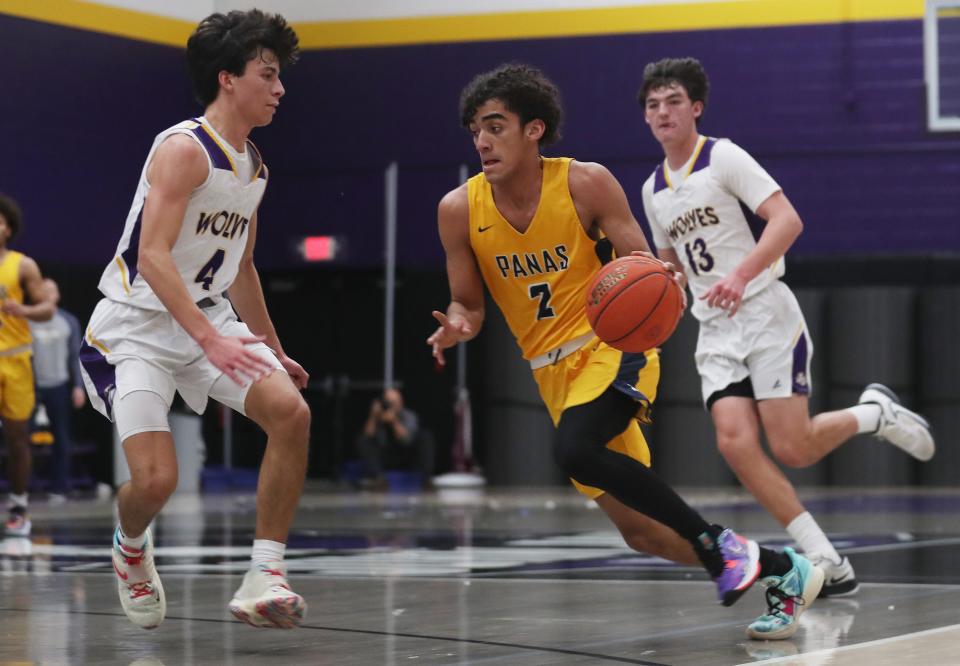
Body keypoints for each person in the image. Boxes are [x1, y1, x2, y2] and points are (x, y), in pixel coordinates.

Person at [427, 63, 822, 640]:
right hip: (551, 374)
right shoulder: (458, 210)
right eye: (474, 131)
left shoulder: (585, 183)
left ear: (534, 129)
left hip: (614, 344)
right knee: (644, 534)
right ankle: (783, 568)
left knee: (575, 450)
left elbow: (643, 268)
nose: (482, 141)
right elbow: (468, 303)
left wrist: (658, 279)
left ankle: (721, 546)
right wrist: (459, 324)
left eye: (495, 126)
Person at [637, 58, 935, 599]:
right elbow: (671, 269)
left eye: (673, 100)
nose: (663, 111)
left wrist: (740, 275)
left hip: (765, 311)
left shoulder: (722, 156)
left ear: (696, 107)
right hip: (716, 328)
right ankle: (824, 555)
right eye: (653, 104)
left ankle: (874, 413)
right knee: (734, 443)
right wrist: (655, 299)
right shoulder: (652, 190)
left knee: (794, 448)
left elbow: (787, 220)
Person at [78, 10, 310, 630]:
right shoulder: (183, 148)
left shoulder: (254, 168)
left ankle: (265, 573)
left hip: (207, 318)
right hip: (134, 329)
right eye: (268, 74)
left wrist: (273, 348)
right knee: (157, 483)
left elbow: (243, 269)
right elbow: (152, 258)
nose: (280, 88)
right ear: (228, 78)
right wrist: (211, 339)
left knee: (291, 412)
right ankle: (130, 547)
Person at [0, 195, 55, 537]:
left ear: (8, 228)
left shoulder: (23, 265)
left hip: (15, 360)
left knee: (18, 438)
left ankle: (18, 506)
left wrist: (25, 311)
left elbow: (47, 308)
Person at [30, 278, 85, 503]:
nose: (47, 294)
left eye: (51, 290)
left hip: (59, 385)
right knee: (23, 437)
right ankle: (25, 487)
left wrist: (78, 386)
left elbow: (75, 357)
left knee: (62, 437)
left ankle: (60, 486)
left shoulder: (68, 321)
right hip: (32, 386)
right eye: (42, 290)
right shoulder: (26, 321)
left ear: (58, 295)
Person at [356, 387, 433, 489]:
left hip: (406, 456)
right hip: (385, 457)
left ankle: (425, 479)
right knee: (362, 440)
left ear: (401, 403)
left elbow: (406, 440)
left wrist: (394, 422)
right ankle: (378, 478)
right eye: (389, 402)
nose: (392, 406)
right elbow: (367, 436)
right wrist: (373, 416)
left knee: (425, 436)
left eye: (395, 402)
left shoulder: (409, 415)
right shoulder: (377, 416)